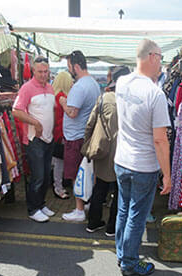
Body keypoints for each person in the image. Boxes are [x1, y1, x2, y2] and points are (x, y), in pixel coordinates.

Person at [115, 38, 171, 276]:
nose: (161, 63)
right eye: (160, 57)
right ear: (152, 57)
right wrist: (167, 174)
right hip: (143, 165)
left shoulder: (121, 82)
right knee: (136, 216)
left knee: (124, 210)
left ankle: (122, 255)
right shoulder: (154, 94)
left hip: (122, 160)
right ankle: (128, 262)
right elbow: (160, 140)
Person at [83, 66, 130, 236]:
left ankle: (93, 223)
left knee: (100, 187)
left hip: (103, 150)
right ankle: (112, 227)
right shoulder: (132, 101)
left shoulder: (104, 98)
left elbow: (90, 124)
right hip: (124, 152)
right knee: (119, 191)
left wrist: (87, 144)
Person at [12, 56, 55, 223]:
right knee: (38, 176)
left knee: (45, 176)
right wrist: (35, 123)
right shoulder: (26, 88)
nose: (43, 75)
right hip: (34, 139)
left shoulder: (50, 88)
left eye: (46, 71)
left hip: (48, 139)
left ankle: (41, 204)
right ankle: (33, 209)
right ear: (33, 71)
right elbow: (16, 111)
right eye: (40, 72)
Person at [61, 50, 100, 222]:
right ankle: (85, 203)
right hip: (86, 135)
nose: (69, 70)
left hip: (76, 137)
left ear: (75, 66)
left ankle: (79, 210)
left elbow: (72, 112)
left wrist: (62, 101)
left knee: (77, 173)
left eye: (69, 66)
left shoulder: (79, 86)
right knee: (86, 172)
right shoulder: (93, 83)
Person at [52, 71, 73, 199]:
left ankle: (58, 186)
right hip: (62, 133)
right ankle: (58, 188)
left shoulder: (56, 96)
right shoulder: (62, 97)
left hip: (58, 133)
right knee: (60, 162)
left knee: (58, 162)